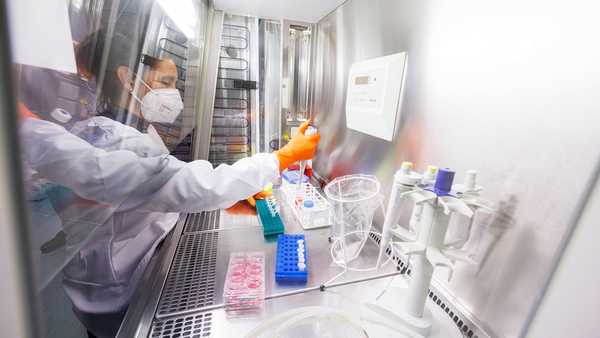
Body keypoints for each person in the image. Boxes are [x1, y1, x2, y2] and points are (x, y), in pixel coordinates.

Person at [18, 17, 321, 338]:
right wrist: (282, 157)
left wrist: (228, 199)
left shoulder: (134, 129)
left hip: (131, 266)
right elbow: (176, 183)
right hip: (116, 291)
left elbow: (161, 194)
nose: (173, 93)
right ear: (129, 80)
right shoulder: (112, 139)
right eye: (165, 82)